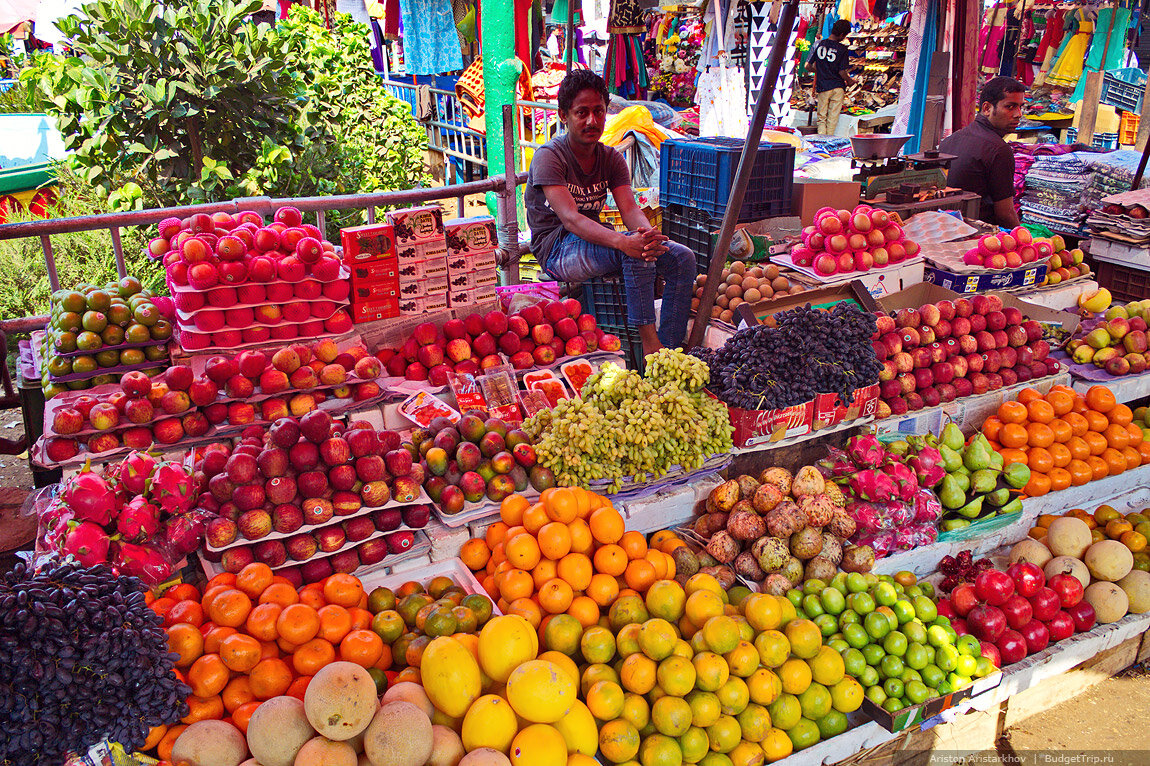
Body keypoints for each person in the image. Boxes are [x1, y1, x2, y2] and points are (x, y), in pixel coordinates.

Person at [526, 69, 696, 355]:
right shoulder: (550, 156)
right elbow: (571, 218)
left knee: (682, 258)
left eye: (598, 111)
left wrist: (646, 233)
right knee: (631, 250)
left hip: (593, 242)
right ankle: (649, 344)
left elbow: (630, 209)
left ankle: (671, 349)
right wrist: (624, 241)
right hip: (557, 249)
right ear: (564, 115)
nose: (592, 120)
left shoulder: (611, 158)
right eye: (582, 113)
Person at [938, 76, 1025, 228]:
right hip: (978, 235)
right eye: (1010, 107)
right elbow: (1005, 214)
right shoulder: (999, 150)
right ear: (987, 108)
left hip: (946, 227)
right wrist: (1025, 241)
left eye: (1020, 107)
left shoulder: (951, 139)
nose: (1018, 114)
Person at [806, 20, 853, 135]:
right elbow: (842, 72)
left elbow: (807, 66)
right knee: (832, 118)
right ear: (842, 34)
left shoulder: (819, 44)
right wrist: (850, 80)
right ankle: (830, 141)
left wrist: (820, 70)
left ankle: (822, 142)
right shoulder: (842, 49)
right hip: (838, 87)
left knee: (822, 118)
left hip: (823, 86)